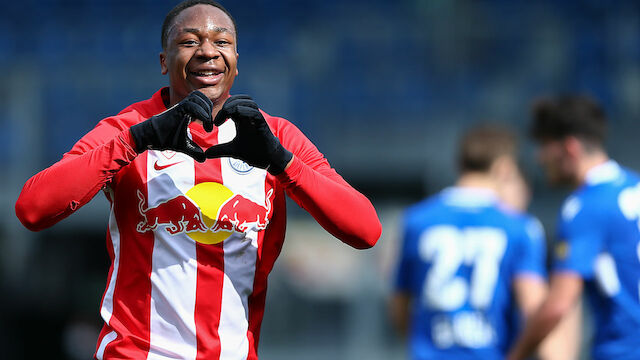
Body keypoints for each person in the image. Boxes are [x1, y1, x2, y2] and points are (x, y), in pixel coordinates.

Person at [14, 1, 382, 359]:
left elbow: (365, 230)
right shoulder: (129, 130)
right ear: (163, 61)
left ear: (237, 62)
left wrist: (283, 163)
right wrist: (135, 142)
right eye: (189, 41)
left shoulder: (275, 137)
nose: (208, 51)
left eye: (222, 42)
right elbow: (33, 208)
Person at [389, 124, 562, 359]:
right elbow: (534, 309)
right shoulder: (520, 228)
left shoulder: (416, 221)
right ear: (505, 168)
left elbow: (400, 306)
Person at [508, 95, 640, 360]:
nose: (540, 157)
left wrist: (515, 354)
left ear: (569, 148)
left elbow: (557, 305)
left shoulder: (586, 207)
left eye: (545, 146)